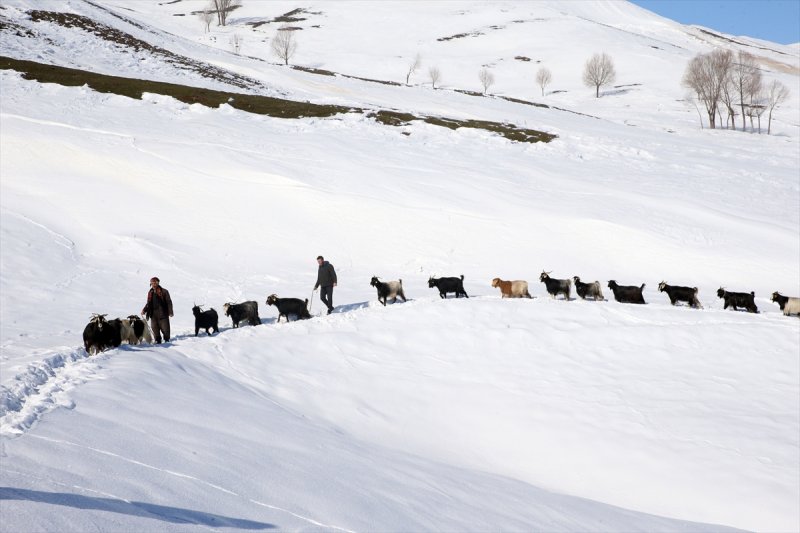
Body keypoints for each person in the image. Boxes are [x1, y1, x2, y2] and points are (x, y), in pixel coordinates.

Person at [141, 276, 174, 344]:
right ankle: (157, 340)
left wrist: (170, 312)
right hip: (153, 313)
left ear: (158, 283)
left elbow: (169, 302)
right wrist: (144, 310)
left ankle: (166, 340)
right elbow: (148, 303)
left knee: (165, 329)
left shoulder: (164, 291)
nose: (153, 284)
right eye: (152, 283)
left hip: (163, 313)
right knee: (154, 328)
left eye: (155, 283)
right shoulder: (150, 292)